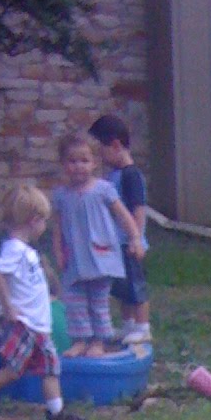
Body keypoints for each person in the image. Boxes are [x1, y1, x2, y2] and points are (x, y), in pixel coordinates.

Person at [0, 181, 83, 420]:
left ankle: (56, 411)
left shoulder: (27, 251)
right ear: (33, 221)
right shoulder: (14, 250)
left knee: (50, 367)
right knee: (12, 371)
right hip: (25, 324)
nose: (44, 226)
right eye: (43, 221)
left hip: (39, 325)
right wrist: (8, 308)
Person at [50, 129, 145, 358]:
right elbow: (57, 226)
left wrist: (135, 238)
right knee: (75, 302)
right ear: (63, 164)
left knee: (98, 302)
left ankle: (99, 341)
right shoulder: (61, 195)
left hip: (100, 257)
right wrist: (58, 252)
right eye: (72, 161)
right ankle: (80, 340)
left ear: (94, 163)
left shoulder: (103, 189)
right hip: (75, 258)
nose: (78, 166)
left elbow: (124, 215)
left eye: (84, 161)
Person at [87, 112, 152, 347]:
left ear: (115, 145)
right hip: (116, 243)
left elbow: (138, 209)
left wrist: (136, 238)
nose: (100, 157)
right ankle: (128, 324)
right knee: (122, 288)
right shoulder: (113, 175)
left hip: (129, 242)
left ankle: (143, 326)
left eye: (101, 150)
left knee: (136, 286)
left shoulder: (130, 175)